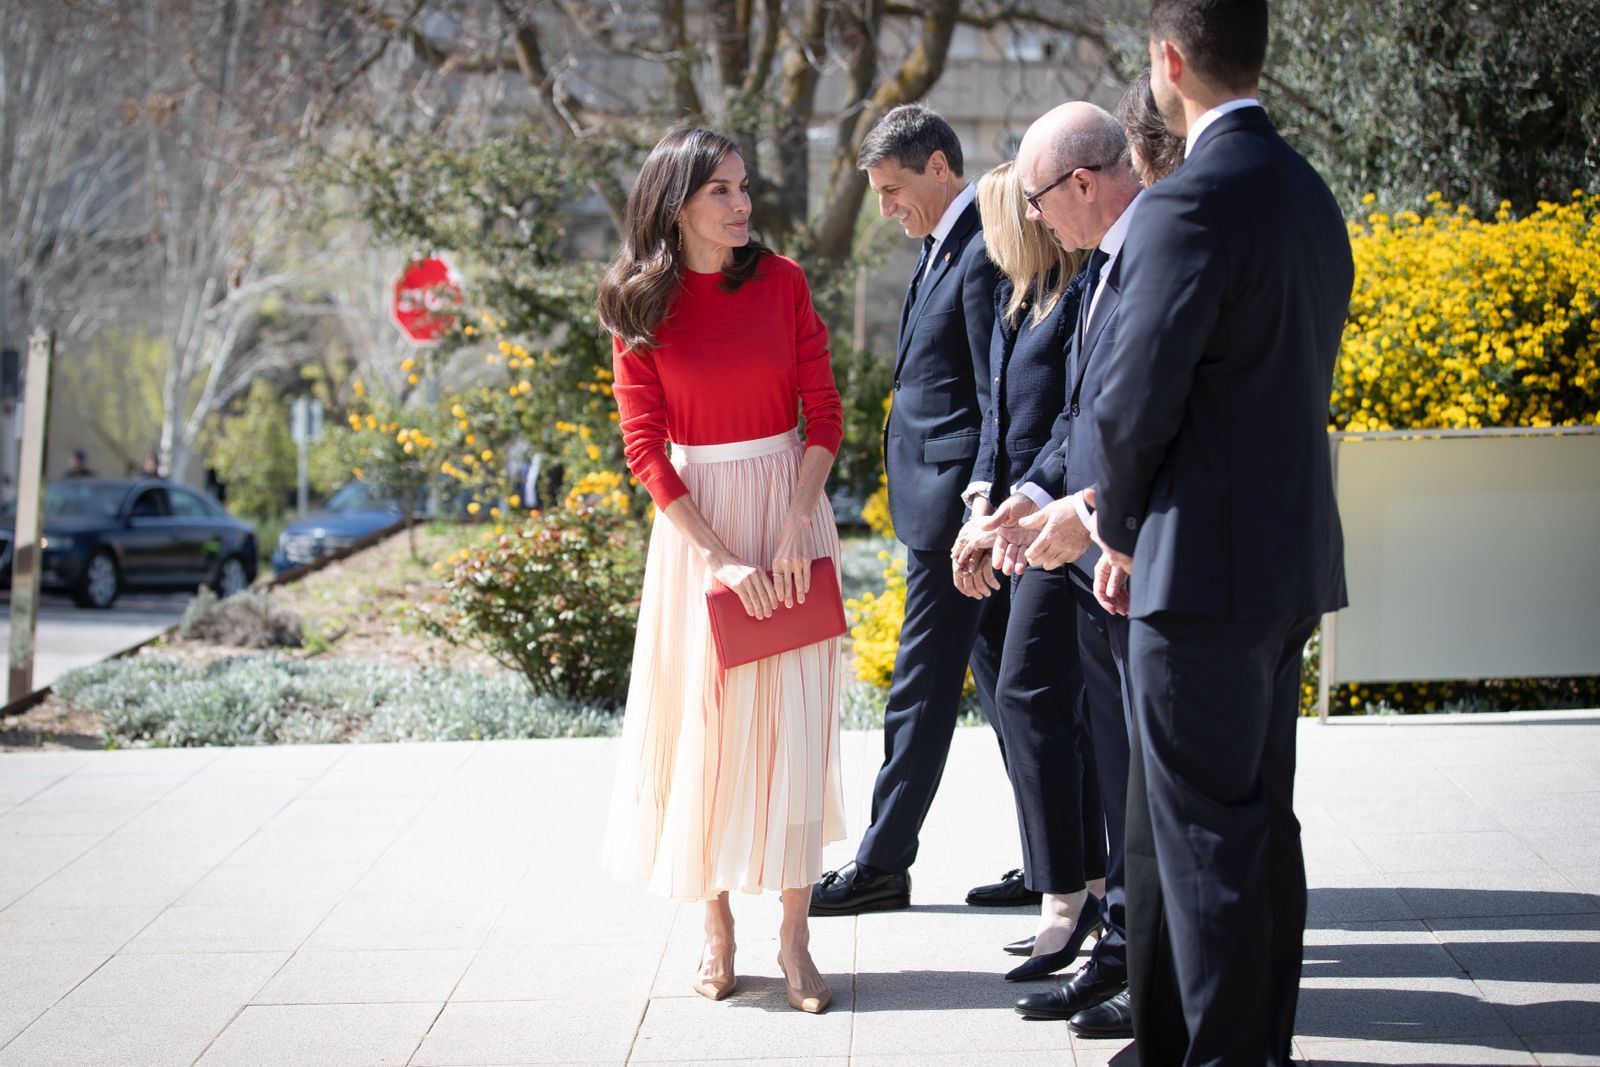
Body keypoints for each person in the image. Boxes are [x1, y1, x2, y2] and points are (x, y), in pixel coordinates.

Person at [1089, 2, 1355, 1062]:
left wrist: (1117, 530)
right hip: (1281, 561)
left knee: (1206, 836)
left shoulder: (1184, 202)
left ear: (1168, 61)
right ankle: (1168, 1040)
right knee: (1208, 824)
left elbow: (1129, 402)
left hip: (1198, 567)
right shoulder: (1306, 192)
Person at [596, 127, 845, 1015]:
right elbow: (644, 449)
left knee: (794, 730)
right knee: (704, 732)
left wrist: (791, 528)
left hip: (790, 514)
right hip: (698, 535)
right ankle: (718, 931)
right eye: (721, 193)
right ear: (676, 204)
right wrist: (721, 558)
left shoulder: (782, 284)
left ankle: (795, 935)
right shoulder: (636, 304)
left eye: (745, 188)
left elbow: (823, 410)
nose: (742, 206)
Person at [989, 77, 1186, 1041]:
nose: (1031, 220)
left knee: (1147, 785)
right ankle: (1120, 944)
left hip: (1144, 558)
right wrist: (1028, 501)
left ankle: (1144, 962)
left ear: (1076, 183)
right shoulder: (1102, 262)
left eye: (1034, 199)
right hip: (1090, 550)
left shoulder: (1155, 247)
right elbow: (1081, 418)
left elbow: (1169, 421)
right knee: (1115, 766)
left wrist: (1091, 513)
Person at [809, 104, 1014, 917]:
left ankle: (884, 862)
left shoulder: (983, 251)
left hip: (957, 517)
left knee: (919, 691)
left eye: (894, 189)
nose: (886, 207)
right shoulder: (938, 248)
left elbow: (996, 392)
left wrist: (982, 502)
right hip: (941, 508)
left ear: (939, 166)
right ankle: (1061, 858)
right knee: (1013, 697)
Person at [947, 161, 1111, 983]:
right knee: (1041, 704)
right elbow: (994, 419)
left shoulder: (1082, 296)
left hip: (1060, 525)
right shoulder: (1014, 305)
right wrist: (985, 507)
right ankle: (1085, 886)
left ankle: (1070, 898)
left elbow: (1072, 423)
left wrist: (1022, 508)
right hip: (1018, 518)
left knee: (1034, 697)